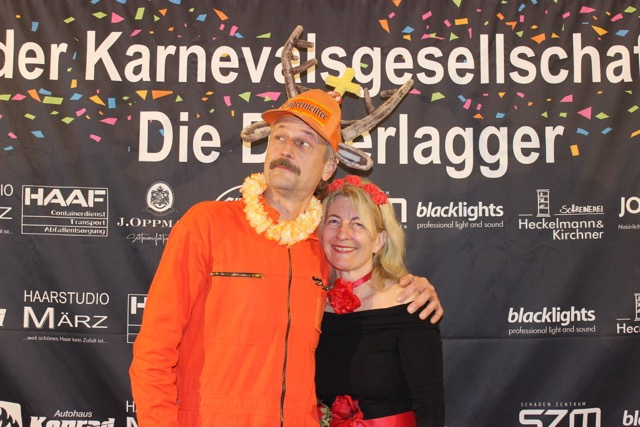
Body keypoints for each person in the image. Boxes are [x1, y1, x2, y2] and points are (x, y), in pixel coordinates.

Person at [129, 89, 443, 426]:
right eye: (279, 137)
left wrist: (417, 287)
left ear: (329, 167)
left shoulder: (324, 247)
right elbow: (154, 353)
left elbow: (368, 284)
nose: (286, 150)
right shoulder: (206, 224)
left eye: (304, 142)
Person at [315, 175, 445, 426]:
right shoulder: (310, 304)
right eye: (333, 221)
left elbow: (430, 408)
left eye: (358, 224)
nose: (343, 233)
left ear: (379, 240)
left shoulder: (411, 302)